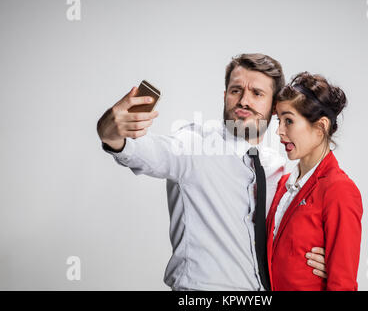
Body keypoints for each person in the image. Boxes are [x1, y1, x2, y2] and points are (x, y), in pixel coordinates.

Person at [97, 54, 327, 290]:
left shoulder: (277, 169)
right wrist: (110, 132)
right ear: (225, 96)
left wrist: (315, 260)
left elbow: (284, 238)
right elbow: (139, 151)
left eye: (257, 93)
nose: (244, 101)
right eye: (236, 90)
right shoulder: (193, 145)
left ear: (274, 108)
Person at [267, 72, 363, 291]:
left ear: (320, 127)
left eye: (288, 121)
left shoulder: (339, 190)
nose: (279, 131)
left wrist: (334, 266)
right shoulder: (282, 185)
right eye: (279, 121)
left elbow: (343, 285)